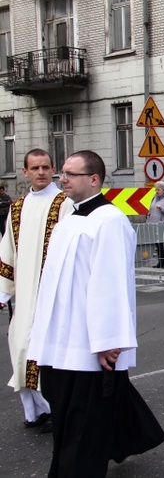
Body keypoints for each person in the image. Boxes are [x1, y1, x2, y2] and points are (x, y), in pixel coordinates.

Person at [27, 150, 164, 477]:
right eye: (63, 173)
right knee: (69, 409)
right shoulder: (71, 218)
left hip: (87, 342)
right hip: (61, 336)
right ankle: (130, 437)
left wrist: (108, 341)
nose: (63, 179)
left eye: (70, 174)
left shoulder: (110, 220)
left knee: (82, 420)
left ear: (93, 179)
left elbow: (110, 284)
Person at [0, 149, 74, 432]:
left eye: (45, 167)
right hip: (25, 296)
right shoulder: (16, 208)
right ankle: (34, 411)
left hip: (54, 296)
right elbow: (7, 249)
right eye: (35, 168)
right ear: (25, 172)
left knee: (49, 354)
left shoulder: (65, 204)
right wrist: (3, 291)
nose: (41, 172)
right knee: (20, 348)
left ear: (53, 169)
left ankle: (57, 410)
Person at [146, 181, 164, 269]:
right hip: (154, 224)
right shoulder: (154, 198)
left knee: (162, 244)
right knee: (158, 244)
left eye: (159, 189)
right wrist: (148, 222)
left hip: (162, 225)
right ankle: (161, 261)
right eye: (156, 189)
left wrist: (162, 208)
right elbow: (150, 211)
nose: (157, 191)